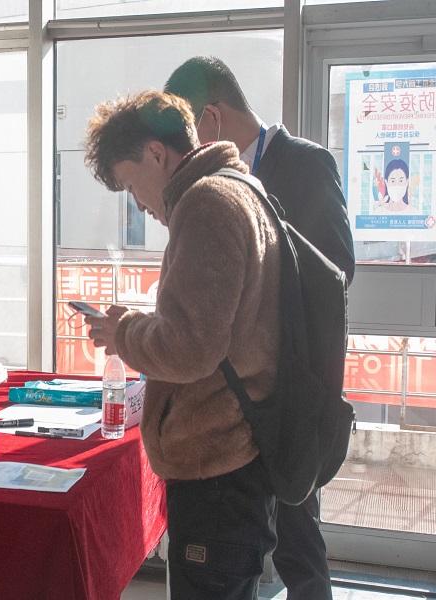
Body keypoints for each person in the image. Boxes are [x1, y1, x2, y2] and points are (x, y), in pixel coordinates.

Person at [164, 56, 356, 600]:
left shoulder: (306, 162)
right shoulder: (210, 184)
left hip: (291, 384)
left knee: (299, 535)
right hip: (234, 396)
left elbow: (338, 269)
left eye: (189, 131)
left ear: (211, 116)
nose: (187, 150)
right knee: (242, 543)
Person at [83, 90, 282, 599]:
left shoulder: (206, 204)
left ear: (156, 153)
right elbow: (215, 328)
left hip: (217, 470)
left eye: (132, 185)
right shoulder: (239, 188)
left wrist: (124, 332)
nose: (138, 204)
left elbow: (190, 348)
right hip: (237, 462)